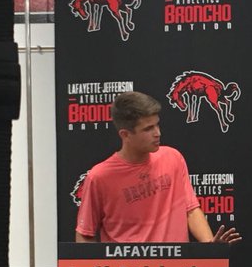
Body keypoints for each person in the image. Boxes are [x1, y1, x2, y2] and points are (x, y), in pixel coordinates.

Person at [74, 90, 240, 245]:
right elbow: (85, 234)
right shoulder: (99, 177)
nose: (157, 133)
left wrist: (211, 248)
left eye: (157, 125)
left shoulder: (173, 158)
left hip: (175, 266)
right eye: (148, 129)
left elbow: (190, 209)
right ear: (125, 135)